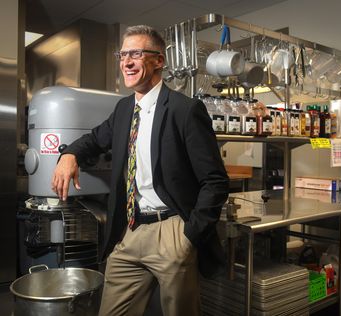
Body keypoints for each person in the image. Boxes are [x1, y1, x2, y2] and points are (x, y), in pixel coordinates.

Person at [51, 25, 229, 316]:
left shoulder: (185, 110)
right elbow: (94, 140)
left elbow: (215, 181)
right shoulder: (123, 110)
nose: (127, 61)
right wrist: (68, 154)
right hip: (129, 229)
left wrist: (189, 236)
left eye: (136, 53)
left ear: (158, 61)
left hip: (171, 230)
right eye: (123, 54)